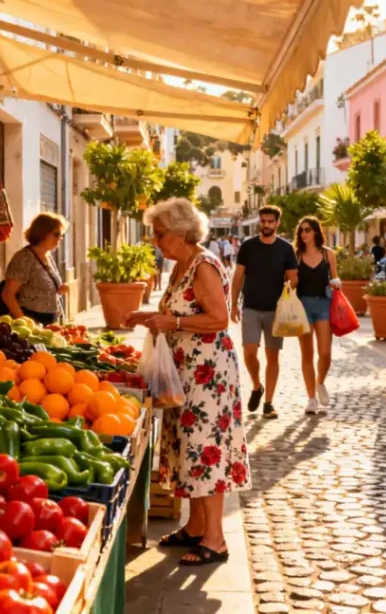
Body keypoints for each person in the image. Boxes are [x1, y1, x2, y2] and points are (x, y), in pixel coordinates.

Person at [124, 197, 251, 566]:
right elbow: (179, 313)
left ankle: (215, 539)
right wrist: (149, 316)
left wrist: (173, 324)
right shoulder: (181, 265)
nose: (155, 241)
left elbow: (219, 319)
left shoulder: (204, 265)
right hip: (186, 372)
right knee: (189, 449)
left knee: (206, 450)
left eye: (159, 233)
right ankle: (195, 527)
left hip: (207, 374)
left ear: (181, 233)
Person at [230, 206, 298, 419]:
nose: (266, 225)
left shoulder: (286, 249)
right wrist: (232, 304)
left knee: (272, 356)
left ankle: (268, 402)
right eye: (263, 221)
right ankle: (257, 386)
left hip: (276, 310)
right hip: (250, 306)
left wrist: (290, 286)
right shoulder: (248, 247)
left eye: (270, 221)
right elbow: (238, 276)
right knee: (249, 352)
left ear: (277, 223)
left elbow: (293, 277)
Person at [294, 217, 341, 414]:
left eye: (308, 230)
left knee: (325, 353)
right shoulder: (296, 256)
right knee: (307, 354)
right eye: (302, 231)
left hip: (323, 304)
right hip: (302, 306)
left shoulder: (328, 254)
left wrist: (337, 282)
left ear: (316, 232)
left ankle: (320, 382)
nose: (304, 234)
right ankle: (311, 398)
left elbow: (335, 276)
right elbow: (290, 280)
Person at [0, 213, 69, 325]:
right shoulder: (24, 258)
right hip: (31, 322)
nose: (59, 239)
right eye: (56, 234)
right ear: (42, 233)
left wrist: (59, 290)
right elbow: (7, 294)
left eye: (61, 235)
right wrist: (25, 323)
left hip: (49, 323)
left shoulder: (48, 256)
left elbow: (41, 289)